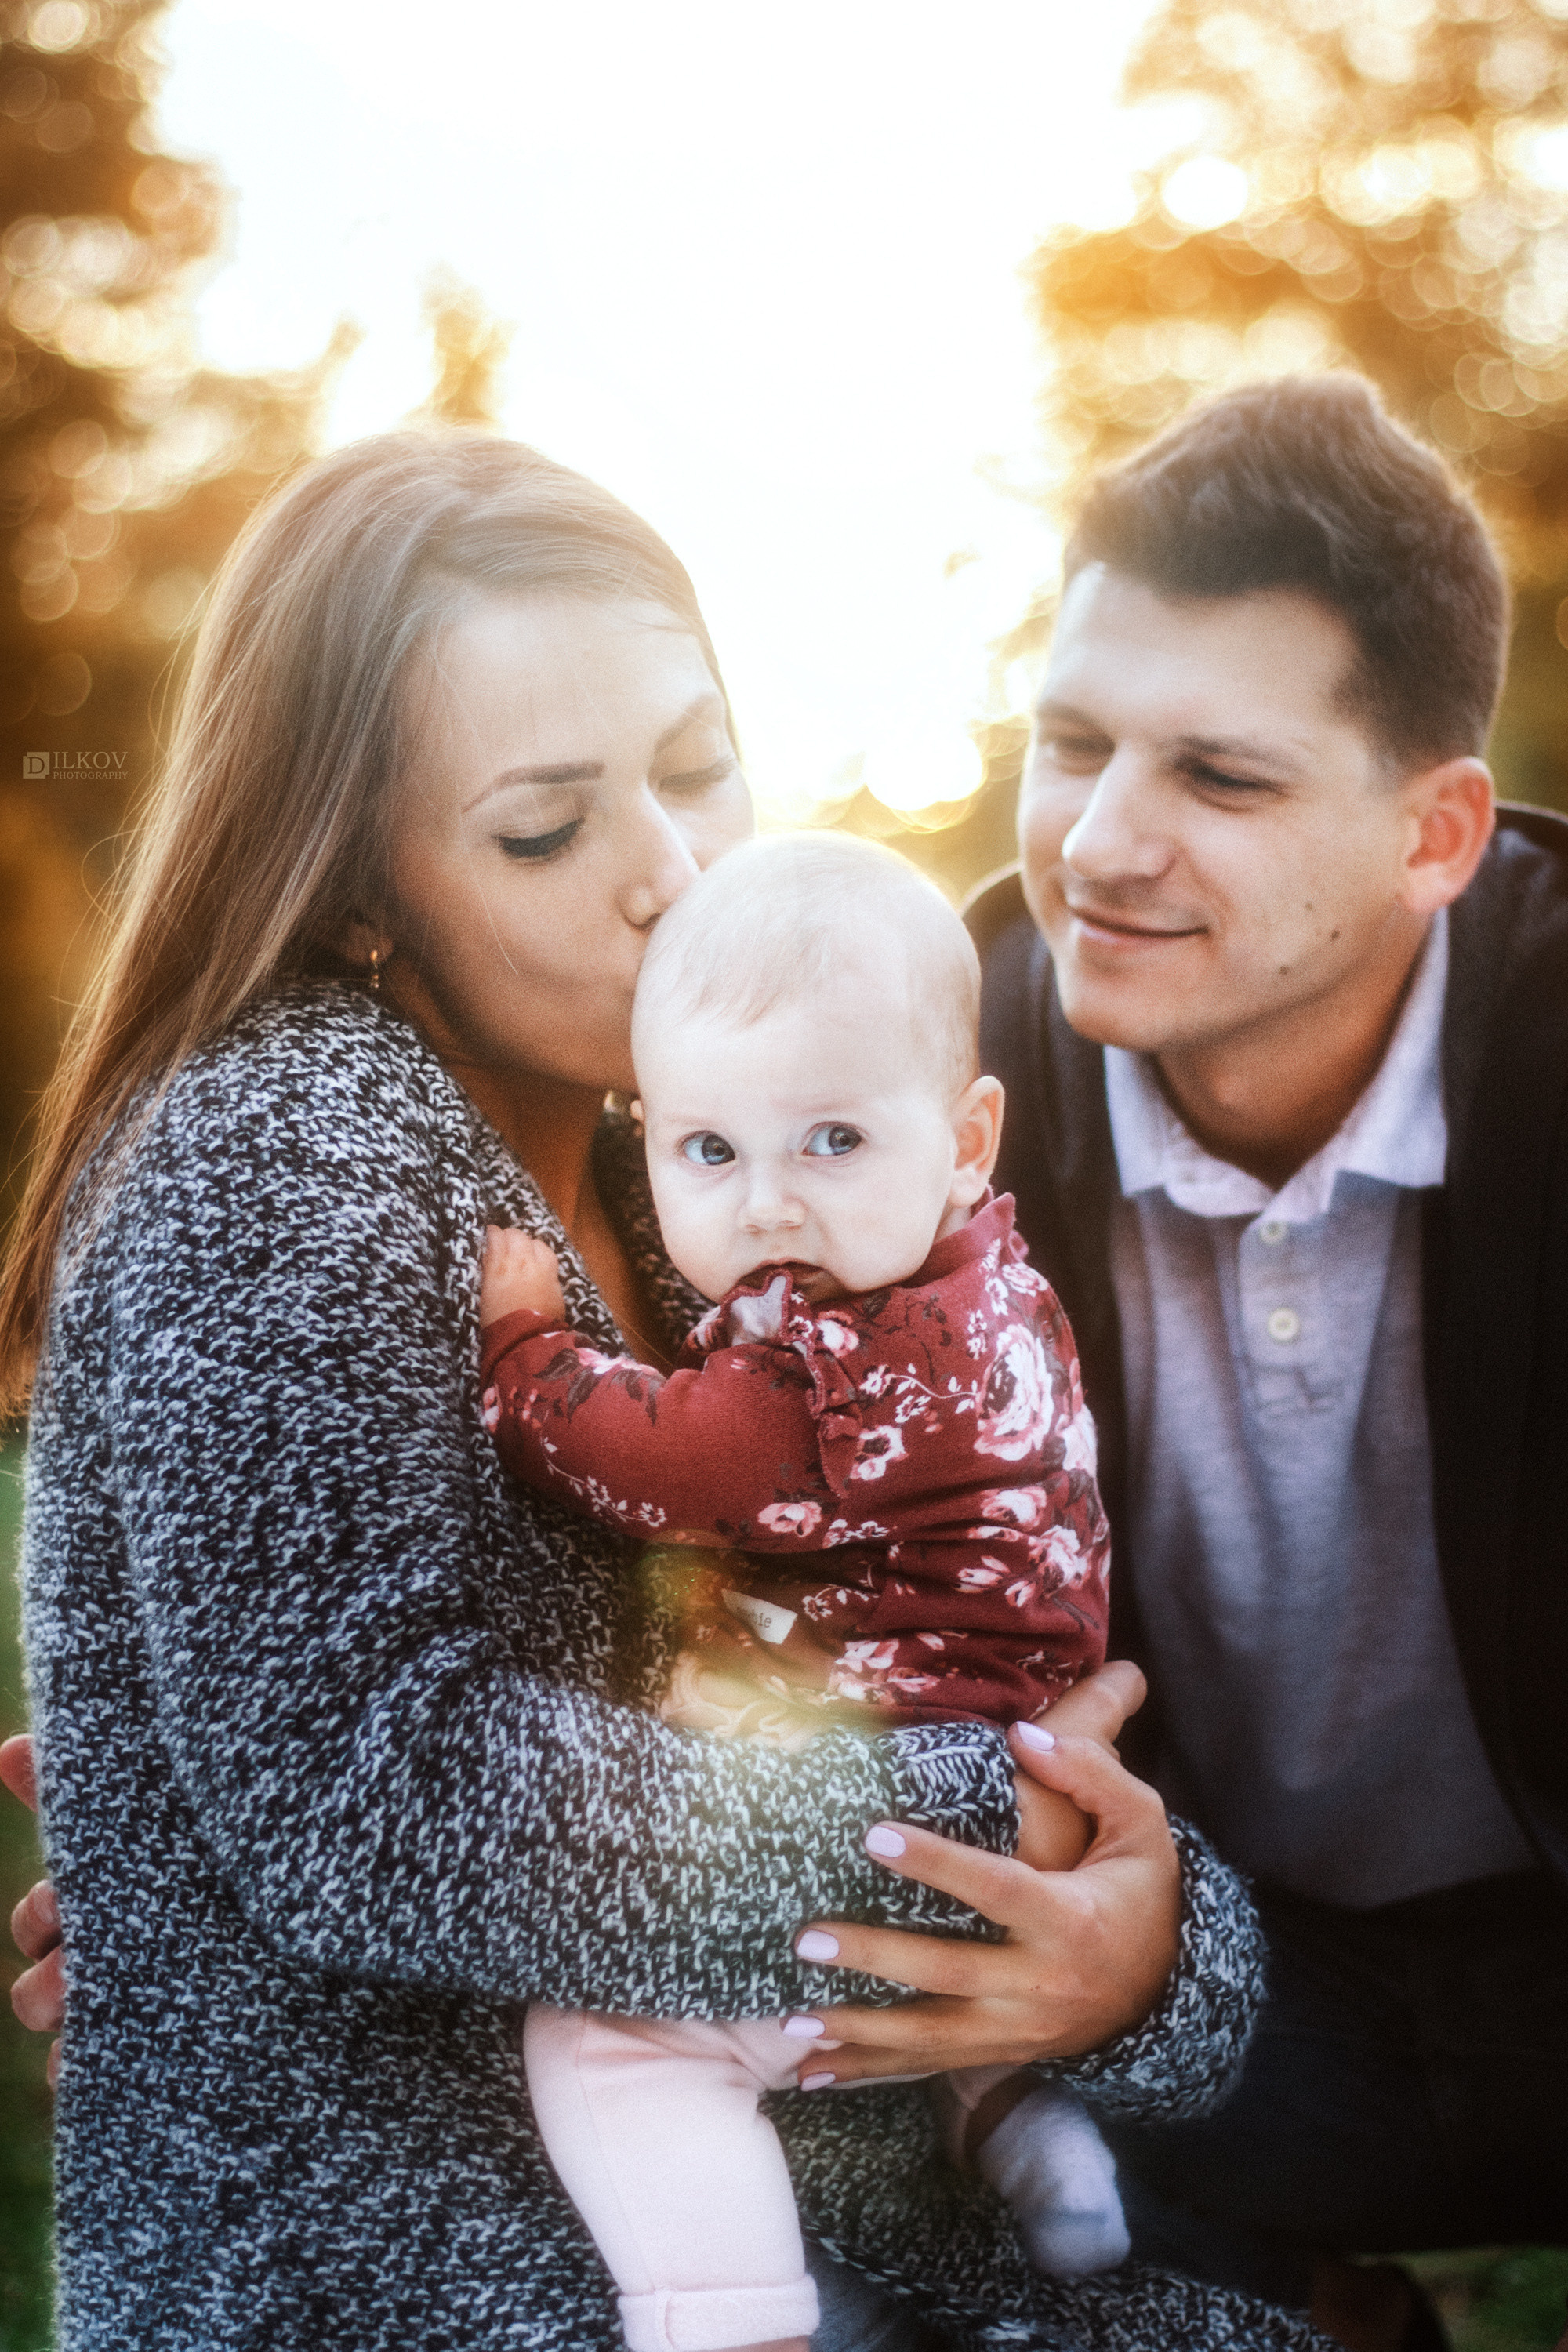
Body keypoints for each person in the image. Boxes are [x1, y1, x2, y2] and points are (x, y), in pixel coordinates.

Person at [0, 429, 1313, 2352]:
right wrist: (1003, 1840)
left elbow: (967, 1665)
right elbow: (376, 1797)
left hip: (812, 2201)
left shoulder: (707, 1167)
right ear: (361, 889)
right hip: (432, 2279)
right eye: (546, 830)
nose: (674, 872)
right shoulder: (286, 1150)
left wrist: (1135, 1959)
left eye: (695, 767)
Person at [970, 373, 1568, 2350]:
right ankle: (1303, 2312)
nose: (1099, 843)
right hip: (1197, 1994)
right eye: (1072, 744)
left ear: (1435, 834)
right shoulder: (921, 1084)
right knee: (806, 2080)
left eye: (1218, 778)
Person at [475, 830, 1125, 2352]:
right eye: (710, 1152)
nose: (767, 1207)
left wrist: (523, 1354)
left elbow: (662, 1463)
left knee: (613, 2033)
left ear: (965, 1138)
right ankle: (1020, 2122)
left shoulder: (834, 1376)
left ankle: (730, 2315)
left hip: (901, 1785)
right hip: (1016, 1754)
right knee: (935, 1988)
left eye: (831, 1140)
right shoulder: (996, 1290)